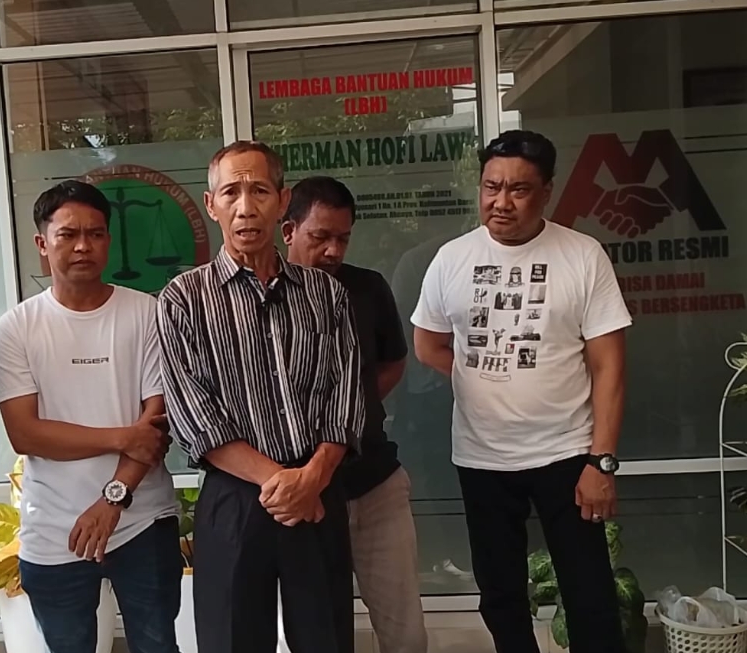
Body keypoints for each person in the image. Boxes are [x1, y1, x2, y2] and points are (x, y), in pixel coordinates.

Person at [411, 130, 631, 653]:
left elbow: (609, 367)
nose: (501, 202)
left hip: (567, 455)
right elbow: (428, 345)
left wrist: (600, 463)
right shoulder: (451, 259)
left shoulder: (582, 256)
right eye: (492, 187)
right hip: (482, 458)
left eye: (519, 189)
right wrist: (485, 378)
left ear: (546, 192)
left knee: (590, 595)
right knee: (500, 595)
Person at [157, 141, 365, 653]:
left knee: (326, 638)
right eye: (231, 192)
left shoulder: (326, 294)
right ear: (211, 205)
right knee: (232, 639)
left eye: (259, 191)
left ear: (282, 201)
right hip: (235, 496)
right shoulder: (183, 299)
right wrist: (284, 485)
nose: (245, 207)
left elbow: (346, 394)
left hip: (317, 488)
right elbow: (194, 415)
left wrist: (312, 479)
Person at [0, 180, 182, 653]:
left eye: (95, 234)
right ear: (42, 243)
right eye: (68, 234)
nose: (83, 246)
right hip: (54, 530)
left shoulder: (147, 313)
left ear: (109, 241)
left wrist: (113, 499)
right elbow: (26, 434)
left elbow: (155, 425)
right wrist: (122, 436)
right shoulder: (17, 328)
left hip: (143, 520)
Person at [281, 175, 427, 653]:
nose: (333, 251)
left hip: (375, 480)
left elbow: (393, 362)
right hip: (306, 492)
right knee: (322, 630)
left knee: (405, 633)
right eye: (320, 236)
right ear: (288, 231)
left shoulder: (367, 288)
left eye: (342, 238)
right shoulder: (265, 297)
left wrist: (354, 411)